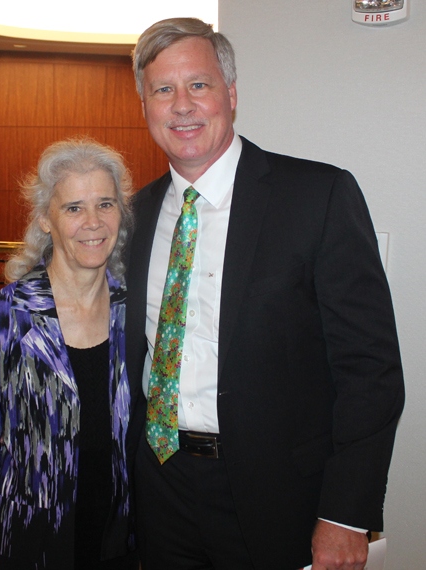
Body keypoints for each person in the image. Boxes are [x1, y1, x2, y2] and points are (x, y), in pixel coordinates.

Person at [125, 18, 405, 570]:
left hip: (279, 496)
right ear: (146, 107)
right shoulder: (133, 215)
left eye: (198, 85)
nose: (181, 105)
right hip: (160, 486)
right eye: (163, 90)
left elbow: (370, 370)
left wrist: (346, 513)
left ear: (230, 94)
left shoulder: (317, 196)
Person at [0, 138, 138, 570]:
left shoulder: (134, 311)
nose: (93, 222)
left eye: (105, 204)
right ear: (45, 220)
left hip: (119, 545)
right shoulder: (5, 318)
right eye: (73, 208)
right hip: (30, 547)